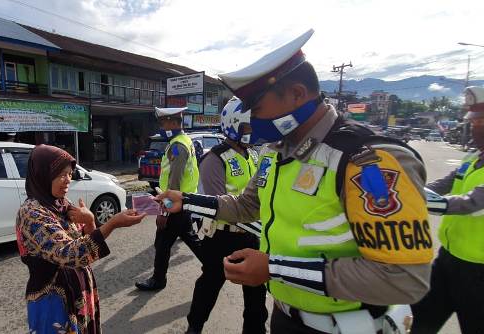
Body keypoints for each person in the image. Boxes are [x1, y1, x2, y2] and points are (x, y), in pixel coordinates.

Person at [157, 29, 432, 333]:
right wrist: (188, 200)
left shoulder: (368, 161)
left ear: (297, 94)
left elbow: (403, 278)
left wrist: (274, 269)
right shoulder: (276, 154)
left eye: (257, 108)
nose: (254, 120)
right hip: (285, 317)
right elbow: (247, 205)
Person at [16, 144, 146, 334]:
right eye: (60, 174)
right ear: (43, 175)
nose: (67, 180)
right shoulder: (32, 213)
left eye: (70, 173)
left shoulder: (61, 204)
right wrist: (112, 224)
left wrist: (90, 220)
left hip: (79, 291)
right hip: (53, 298)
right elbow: (69, 253)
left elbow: (85, 247)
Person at [186, 97, 268, 334]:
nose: (252, 131)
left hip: (252, 235)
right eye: (247, 126)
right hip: (222, 236)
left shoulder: (252, 155)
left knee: (256, 293)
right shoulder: (215, 158)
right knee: (209, 285)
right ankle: (194, 326)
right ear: (232, 125)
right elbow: (216, 202)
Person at [412, 86, 484, 334]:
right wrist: (410, 187)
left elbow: (471, 203)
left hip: (480, 270)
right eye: (474, 122)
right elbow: (444, 183)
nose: (475, 128)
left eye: (481, 122)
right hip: (448, 260)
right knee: (419, 321)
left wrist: (413, 200)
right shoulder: (474, 158)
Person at [135, 107, 203, 291]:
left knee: (163, 244)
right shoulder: (184, 140)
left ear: (173, 122)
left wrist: (165, 210)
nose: (161, 126)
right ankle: (214, 266)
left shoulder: (177, 146)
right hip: (184, 202)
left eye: (163, 122)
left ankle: (158, 280)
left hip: (176, 204)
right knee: (190, 238)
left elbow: (174, 184)